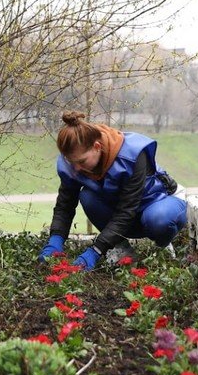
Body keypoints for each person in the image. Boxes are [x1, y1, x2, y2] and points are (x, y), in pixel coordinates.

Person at [37, 111, 187, 269]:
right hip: (124, 212)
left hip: (158, 202)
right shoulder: (75, 160)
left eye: (81, 161)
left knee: (159, 220)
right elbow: (65, 204)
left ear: (97, 147)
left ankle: (163, 244)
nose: (76, 168)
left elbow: (126, 210)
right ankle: (121, 247)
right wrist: (55, 240)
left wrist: (96, 250)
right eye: (71, 162)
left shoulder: (132, 155)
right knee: (87, 196)